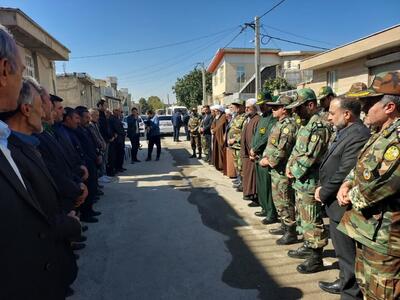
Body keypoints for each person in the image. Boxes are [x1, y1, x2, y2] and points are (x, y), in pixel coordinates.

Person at [0, 25, 70, 300]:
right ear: (5, 70)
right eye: (22, 70)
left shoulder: (5, 140)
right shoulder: (11, 143)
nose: (23, 82)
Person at [6, 77, 81, 298]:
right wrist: (70, 223)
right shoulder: (12, 152)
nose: (46, 112)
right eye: (42, 106)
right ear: (27, 109)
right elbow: (27, 222)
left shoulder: (30, 145)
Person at [337, 71, 400, 300]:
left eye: (370, 102)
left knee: (383, 294)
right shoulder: (380, 132)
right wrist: (346, 183)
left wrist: (350, 195)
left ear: (389, 107)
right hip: (367, 229)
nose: (363, 107)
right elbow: (362, 166)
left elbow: (385, 184)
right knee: (366, 287)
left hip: (387, 238)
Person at [315, 96, 370, 298]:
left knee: (348, 255)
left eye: (332, 113)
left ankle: (350, 292)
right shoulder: (345, 131)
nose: (328, 118)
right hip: (334, 201)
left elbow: (345, 170)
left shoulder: (358, 134)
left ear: (347, 114)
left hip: (342, 204)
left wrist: (324, 191)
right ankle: (345, 281)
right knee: (343, 253)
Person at [286, 88, 331, 274]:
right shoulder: (307, 123)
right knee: (303, 217)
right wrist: (290, 166)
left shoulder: (319, 126)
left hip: (311, 180)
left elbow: (311, 156)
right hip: (301, 180)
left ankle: (316, 257)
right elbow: (297, 150)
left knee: (312, 218)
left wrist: (293, 170)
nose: (295, 112)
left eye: (298, 108)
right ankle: (307, 245)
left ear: (310, 105)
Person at [260, 95, 299, 245]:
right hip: (276, 170)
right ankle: (284, 225)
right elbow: (272, 145)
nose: (273, 109)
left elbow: (283, 149)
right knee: (279, 200)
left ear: (284, 109)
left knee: (285, 200)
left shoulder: (288, 125)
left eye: (276, 107)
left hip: (282, 169)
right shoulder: (279, 123)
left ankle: (291, 231)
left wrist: (268, 161)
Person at [252, 91, 278, 223]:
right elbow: (257, 135)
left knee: (268, 186)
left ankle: (271, 212)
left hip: (266, 156)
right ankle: (264, 207)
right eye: (259, 104)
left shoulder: (273, 118)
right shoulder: (262, 117)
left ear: (269, 103)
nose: (260, 107)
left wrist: (255, 148)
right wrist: (253, 148)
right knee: (261, 185)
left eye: (263, 104)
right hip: (257, 156)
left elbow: (267, 136)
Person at [240, 99, 260, 202]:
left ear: (255, 108)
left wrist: (253, 150)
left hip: (252, 154)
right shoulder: (249, 119)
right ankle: (249, 194)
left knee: (253, 177)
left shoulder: (257, 119)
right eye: (246, 107)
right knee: (248, 176)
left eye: (249, 107)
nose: (246, 109)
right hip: (246, 153)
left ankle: (254, 196)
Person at [227, 99, 246, 191]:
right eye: (235, 105)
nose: (236, 107)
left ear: (242, 107)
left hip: (239, 146)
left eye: (238, 106)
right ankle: (239, 180)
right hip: (234, 146)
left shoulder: (245, 117)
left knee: (241, 166)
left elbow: (245, 132)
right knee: (236, 165)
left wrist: (235, 139)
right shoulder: (236, 116)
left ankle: (243, 184)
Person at [109, 108, 126, 173]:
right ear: (115, 111)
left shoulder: (117, 118)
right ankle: (117, 168)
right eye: (119, 111)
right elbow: (118, 129)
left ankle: (120, 167)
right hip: (117, 140)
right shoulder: (113, 119)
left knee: (121, 154)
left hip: (120, 139)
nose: (120, 113)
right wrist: (123, 133)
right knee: (118, 154)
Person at [210, 105, 226, 170]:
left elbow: (220, 126)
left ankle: (222, 166)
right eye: (215, 111)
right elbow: (213, 124)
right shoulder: (216, 117)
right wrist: (212, 129)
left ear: (220, 111)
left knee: (220, 151)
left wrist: (214, 130)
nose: (215, 112)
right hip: (216, 137)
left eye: (216, 111)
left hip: (220, 137)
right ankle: (217, 165)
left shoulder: (223, 116)